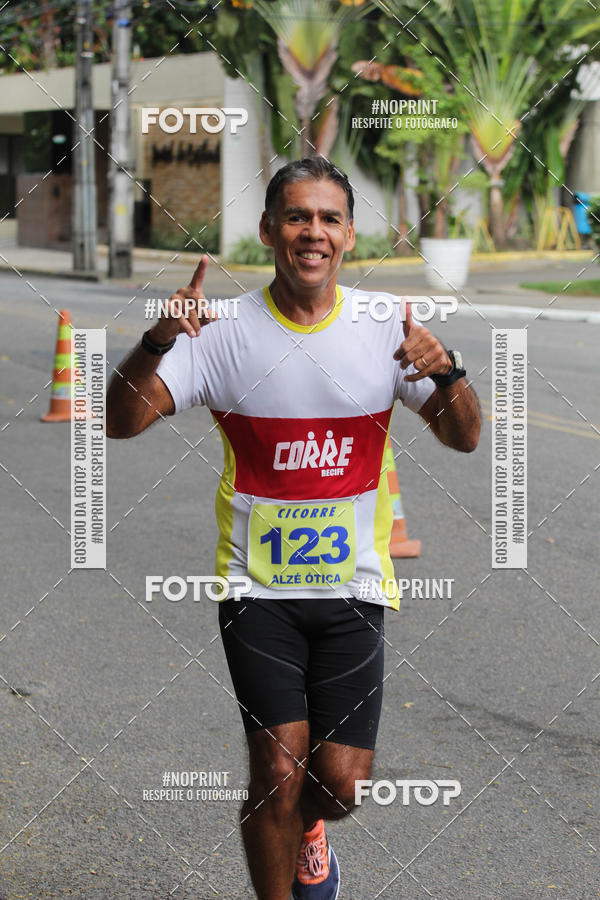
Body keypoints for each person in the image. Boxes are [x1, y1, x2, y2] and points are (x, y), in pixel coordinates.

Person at [106, 157, 480, 900]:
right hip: (257, 590)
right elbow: (121, 420)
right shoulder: (220, 331)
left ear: (349, 235)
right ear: (268, 229)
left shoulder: (386, 325)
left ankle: (310, 829)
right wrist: (157, 340)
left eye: (329, 218)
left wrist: (448, 372)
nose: (314, 232)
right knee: (277, 771)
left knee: (338, 787)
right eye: (298, 216)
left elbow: (464, 436)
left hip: (354, 591)